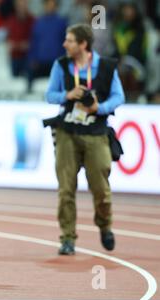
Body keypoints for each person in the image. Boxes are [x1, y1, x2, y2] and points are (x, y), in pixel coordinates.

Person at [44, 23, 125, 255]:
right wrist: (66, 95)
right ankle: (67, 238)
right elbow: (50, 95)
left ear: (83, 44)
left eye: (69, 40)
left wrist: (100, 108)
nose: (64, 44)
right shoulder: (60, 65)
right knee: (66, 189)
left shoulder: (107, 67)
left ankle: (105, 225)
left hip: (96, 133)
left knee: (101, 189)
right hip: (67, 131)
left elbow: (119, 97)